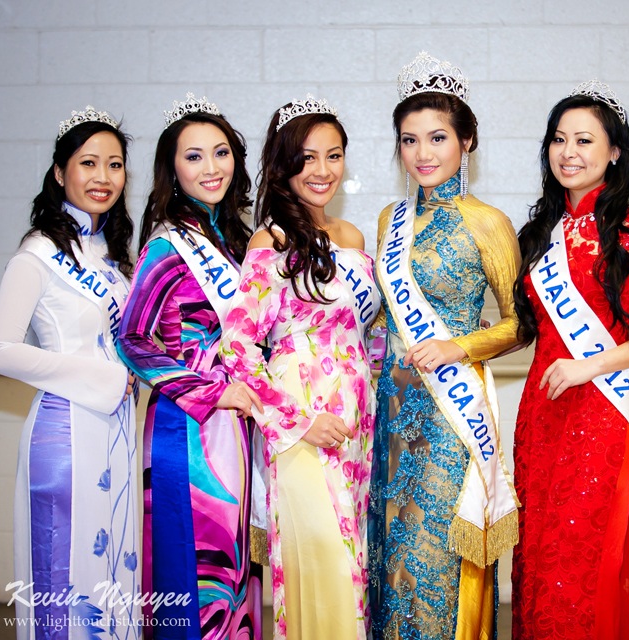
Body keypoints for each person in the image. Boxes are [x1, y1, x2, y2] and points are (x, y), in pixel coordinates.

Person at [510, 81, 629, 639]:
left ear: (614, 152)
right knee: (542, 552)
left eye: (584, 140)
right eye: (559, 139)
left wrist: (591, 365)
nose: (568, 152)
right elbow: (530, 328)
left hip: (602, 410)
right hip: (543, 411)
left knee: (583, 555)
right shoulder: (540, 234)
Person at [368, 51, 521, 639]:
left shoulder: (488, 222)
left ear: (467, 142)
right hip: (394, 406)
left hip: (452, 410)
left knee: (434, 549)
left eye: (437, 138)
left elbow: (519, 325)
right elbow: (385, 315)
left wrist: (459, 347)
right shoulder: (388, 219)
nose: (423, 153)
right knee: (390, 550)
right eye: (409, 140)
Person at [220, 96, 380, 640]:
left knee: (351, 566)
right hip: (301, 430)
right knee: (324, 563)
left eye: (333, 156)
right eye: (307, 157)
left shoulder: (355, 240)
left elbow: (367, 336)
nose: (322, 171)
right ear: (284, 163)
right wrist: (300, 421)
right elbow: (237, 349)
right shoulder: (270, 241)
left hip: (357, 429)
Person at [0, 106, 141, 638]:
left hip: (117, 435)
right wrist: (100, 377)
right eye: (88, 163)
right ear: (59, 172)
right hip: (66, 433)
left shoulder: (113, 255)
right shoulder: (39, 252)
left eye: (115, 165)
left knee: (112, 574)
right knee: (65, 579)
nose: (103, 177)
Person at [116, 94, 262, 639]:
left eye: (220, 153)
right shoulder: (166, 244)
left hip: (236, 426)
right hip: (187, 427)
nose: (211, 167)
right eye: (194, 156)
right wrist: (207, 392)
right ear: (172, 169)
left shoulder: (238, 240)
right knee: (195, 572)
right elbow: (130, 339)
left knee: (233, 570)